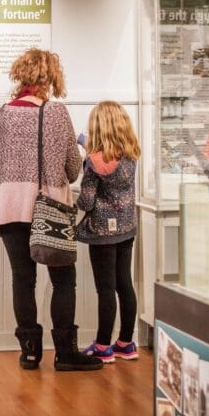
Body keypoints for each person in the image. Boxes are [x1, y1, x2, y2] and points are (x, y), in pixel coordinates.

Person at [0, 48, 101, 372]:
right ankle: (66, 353)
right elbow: (70, 169)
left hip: (10, 207)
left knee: (22, 279)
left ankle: (29, 352)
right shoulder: (55, 112)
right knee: (63, 279)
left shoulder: (4, 113)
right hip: (49, 206)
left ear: (20, 75)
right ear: (51, 76)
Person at [76, 101, 141, 363]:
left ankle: (103, 346)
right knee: (125, 284)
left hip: (102, 232)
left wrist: (75, 199)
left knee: (105, 288)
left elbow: (87, 201)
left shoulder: (92, 163)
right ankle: (125, 343)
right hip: (127, 227)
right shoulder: (131, 156)